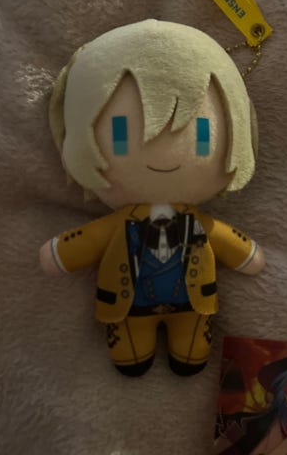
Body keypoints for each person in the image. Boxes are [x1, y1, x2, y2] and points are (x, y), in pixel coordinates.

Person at [39, 20, 265, 376]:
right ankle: (138, 351)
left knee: (191, 350)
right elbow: (89, 240)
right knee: (132, 352)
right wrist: (62, 252)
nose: (163, 153)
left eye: (201, 134)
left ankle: (188, 351)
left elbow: (226, 240)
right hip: (129, 308)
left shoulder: (197, 225)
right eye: (119, 133)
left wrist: (246, 253)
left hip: (192, 306)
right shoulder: (121, 223)